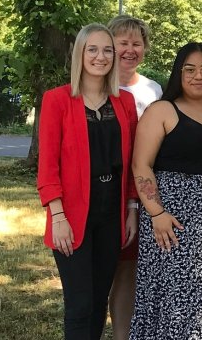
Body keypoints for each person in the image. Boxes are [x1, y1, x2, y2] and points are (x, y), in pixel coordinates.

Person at [130, 43, 202, 339]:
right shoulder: (162, 110)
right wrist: (156, 213)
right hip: (173, 224)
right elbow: (141, 166)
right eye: (190, 69)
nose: (199, 76)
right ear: (178, 73)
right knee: (176, 304)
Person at [37, 23, 138, 339]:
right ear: (80, 53)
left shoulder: (125, 102)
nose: (101, 56)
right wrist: (58, 217)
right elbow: (47, 166)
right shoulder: (58, 100)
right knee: (79, 305)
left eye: (107, 49)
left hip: (112, 214)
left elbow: (133, 162)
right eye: (92, 49)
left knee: (97, 303)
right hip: (72, 215)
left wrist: (132, 208)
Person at [106, 14, 161, 340]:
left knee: (128, 271)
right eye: (122, 42)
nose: (129, 49)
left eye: (136, 43)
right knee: (100, 273)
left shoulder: (153, 91)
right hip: (104, 192)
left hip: (140, 193)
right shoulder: (95, 84)